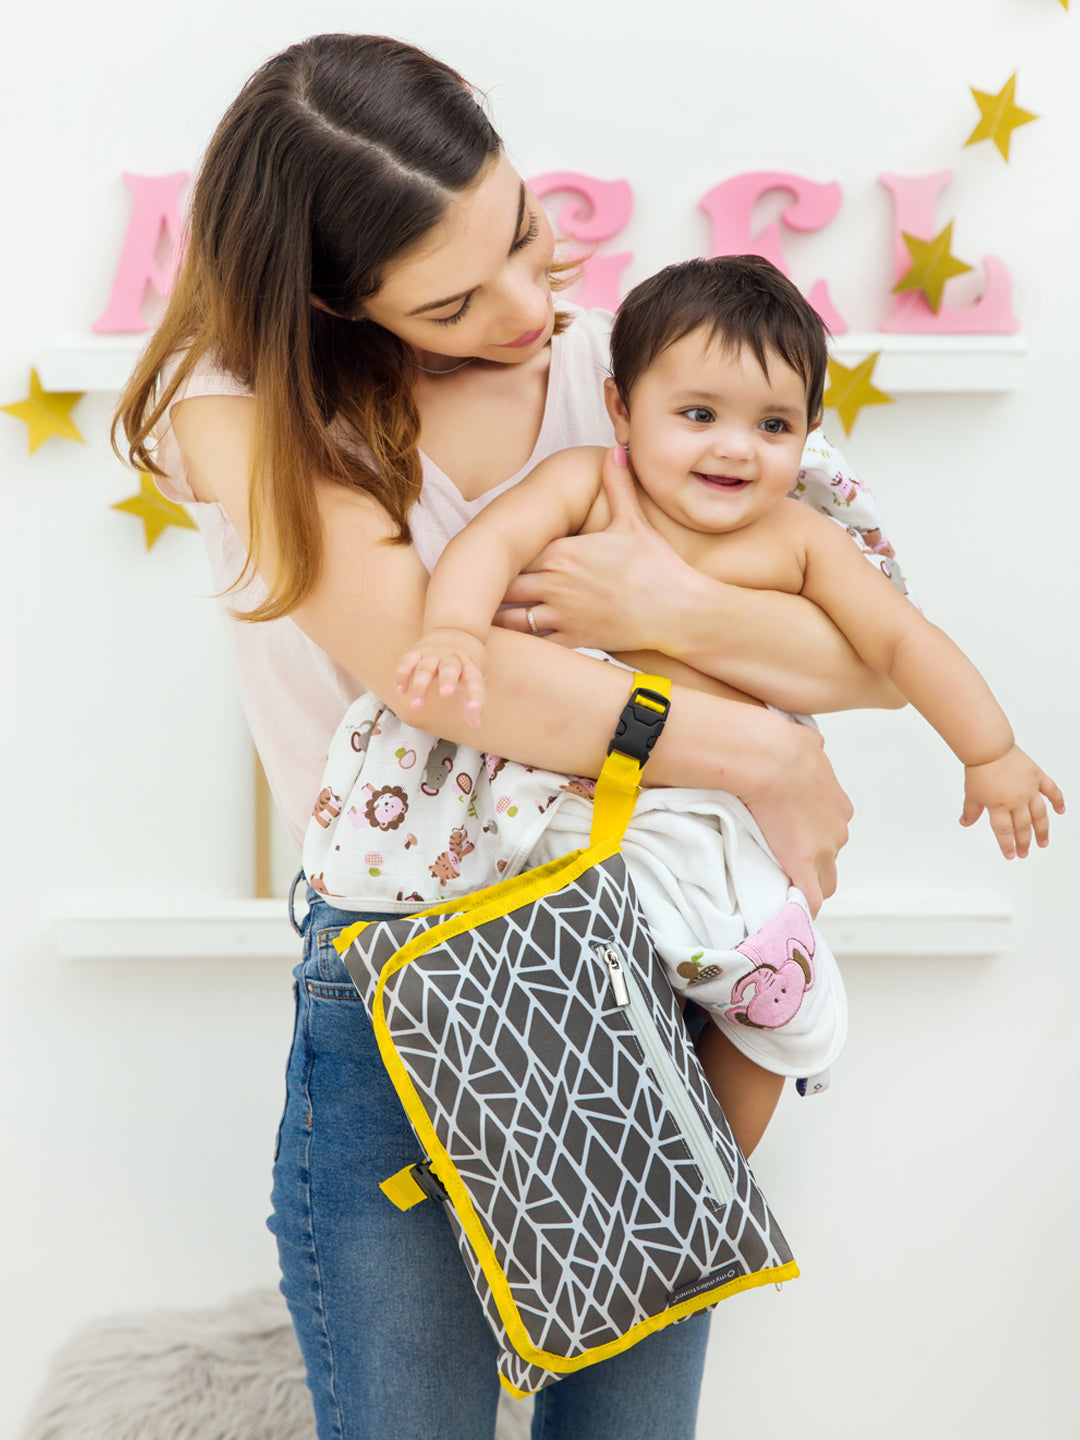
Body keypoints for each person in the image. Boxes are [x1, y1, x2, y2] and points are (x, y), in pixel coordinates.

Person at [115, 33, 912, 1440]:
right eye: (451, 299)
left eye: (526, 234)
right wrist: (760, 750)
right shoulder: (238, 415)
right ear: (333, 299)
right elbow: (437, 677)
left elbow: (878, 649)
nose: (528, 304)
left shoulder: (633, 370)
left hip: (647, 956)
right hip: (410, 981)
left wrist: (663, 603)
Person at [390, 254, 1062, 1147]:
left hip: (739, 825)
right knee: (573, 988)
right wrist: (453, 631)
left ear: (810, 431)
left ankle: (707, 1185)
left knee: (778, 1003)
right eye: (699, 415)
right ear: (623, 409)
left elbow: (903, 643)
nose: (736, 447)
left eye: (773, 424)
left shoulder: (802, 540)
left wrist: (990, 751)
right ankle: (557, 1151)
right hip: (584, 802)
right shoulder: (589, 484)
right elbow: (490, 544)